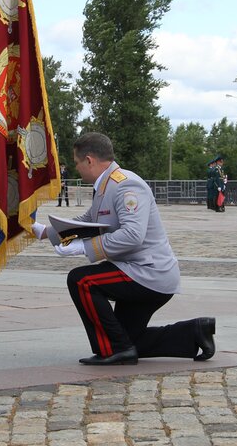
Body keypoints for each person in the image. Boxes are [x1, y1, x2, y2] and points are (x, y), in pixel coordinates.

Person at [32, 133, 216, 365]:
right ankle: (195, 332)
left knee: (81, 280)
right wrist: (42, 231)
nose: (75, 168)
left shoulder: (126, 185)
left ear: (89, 160)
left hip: (149, 273)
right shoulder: (106, 185)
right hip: (136, 271)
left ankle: (113, 351)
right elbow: (87, 222)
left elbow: (132, 235)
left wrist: (83, 248)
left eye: (77, 163)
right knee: (128, 340)